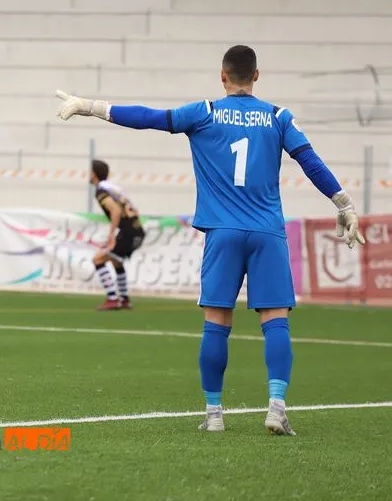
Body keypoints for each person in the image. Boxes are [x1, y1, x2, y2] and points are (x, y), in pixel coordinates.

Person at [55, 44, 366, 436]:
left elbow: (149, 118)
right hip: (268, 232)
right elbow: (310, 161)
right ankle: (276, 407)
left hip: (222, 233)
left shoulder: (204, 113)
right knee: (276, 322)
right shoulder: (278, 117)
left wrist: (88, 106)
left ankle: (215, 414)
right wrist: (344, 203)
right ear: (256, 76)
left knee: (216, 324)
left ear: (222, 76)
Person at [89, 160, 146, 311]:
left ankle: (113, 298)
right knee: (116, 262)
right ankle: (125, 300)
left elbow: (115, 211)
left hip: (128, 233)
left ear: (94, 174)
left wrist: (111, 235)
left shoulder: (101, 191)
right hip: (137, 231)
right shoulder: (113, 189)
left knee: (98, 259)